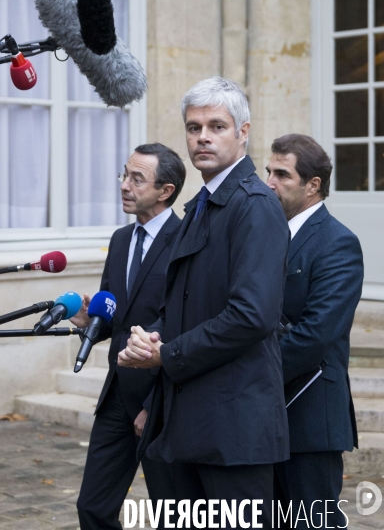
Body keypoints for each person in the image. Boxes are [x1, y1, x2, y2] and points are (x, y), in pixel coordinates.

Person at [118, 77, 290, 528]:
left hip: (235, 424)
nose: (203, 137)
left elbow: (252, 316)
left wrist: (165, 354)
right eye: (194, 128)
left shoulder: (255, 205)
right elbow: (186, 300)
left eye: (217, 126)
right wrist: (150, 335)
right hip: (192, 418)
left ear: (243, 132)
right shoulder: (200, 205)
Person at [73, 143, 186, 530]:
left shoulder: (186, 240)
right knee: (93, 508)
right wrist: (89, 321)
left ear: (165, 190)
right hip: (117, 397)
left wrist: (153, 402)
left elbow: (181, 323)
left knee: (175, 517)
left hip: (163, 402)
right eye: (124, 174)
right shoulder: (121, 239)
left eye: (137, 178)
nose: (124, 185)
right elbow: (116, 317)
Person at [266, 134, 364, 529]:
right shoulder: (267, 234)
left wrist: (253, 373)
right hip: (265, 416)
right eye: (267, 171)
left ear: (313, 185)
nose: (268, 182)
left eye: (281, 174)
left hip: (310, 419)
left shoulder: (338, 242)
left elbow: (315, 335)